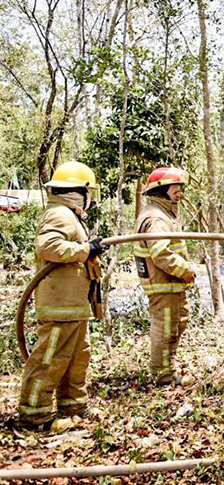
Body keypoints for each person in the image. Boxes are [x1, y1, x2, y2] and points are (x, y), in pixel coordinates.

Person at [18, 161, 109, 431]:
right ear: (77, 191)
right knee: (51, 358)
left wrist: (88, 250)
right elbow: (48, 247)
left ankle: (73, 405)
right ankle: (35, 415)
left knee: (77, 357)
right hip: (60, 304)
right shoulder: (59, 214)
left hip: (74, 304)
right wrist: (85, 250)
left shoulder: (70, 215)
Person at [133, 167, 195, 387]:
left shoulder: (164, 214)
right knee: (166, 327)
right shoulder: (155, 217)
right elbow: (160, 253)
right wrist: (185, 270)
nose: (180, 193)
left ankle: (167, 368)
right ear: (161, 190)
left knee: (177, 324)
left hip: (171, 283)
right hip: (163, 283)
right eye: (175, 188)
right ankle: (162, 375)